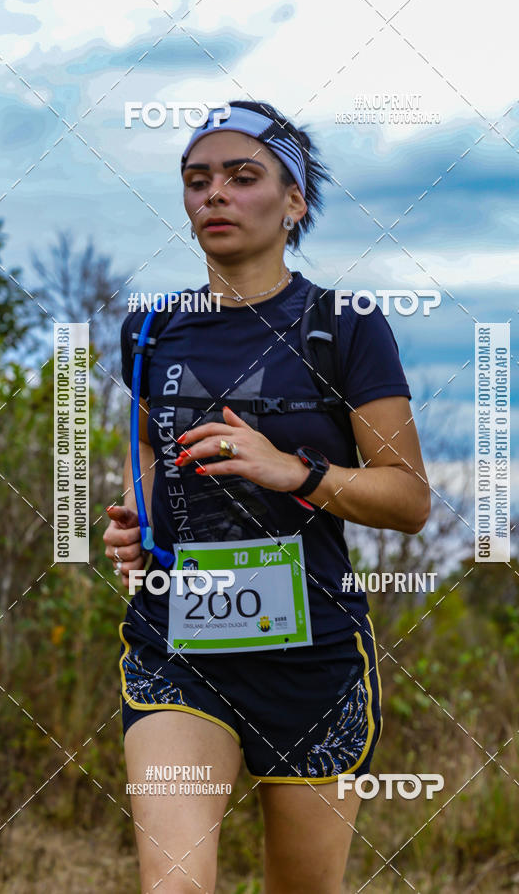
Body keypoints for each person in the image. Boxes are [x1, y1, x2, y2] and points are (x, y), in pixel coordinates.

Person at [104, 99, 430, 894]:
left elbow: (410, 501)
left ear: (294, 203)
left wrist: (297, 472)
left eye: (242, 176)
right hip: (178, 649)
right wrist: (136, 525)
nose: (214, 193)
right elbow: (147, 445)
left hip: (312, 659)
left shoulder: (343, 324)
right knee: (174, 884)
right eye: (196, 180)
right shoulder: (149, 331)